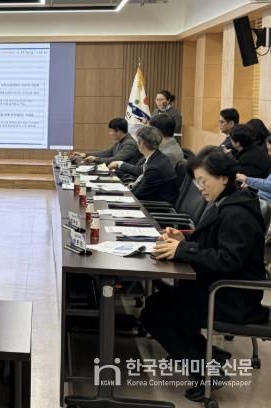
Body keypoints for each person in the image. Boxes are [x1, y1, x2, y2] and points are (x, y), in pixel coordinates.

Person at [144, 146, 268, 402]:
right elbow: (214, 243)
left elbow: (228, 260)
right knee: (158, 304)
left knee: (157, 314)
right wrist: (183, 240)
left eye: (203, 181)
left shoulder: (238, 213)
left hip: (230, 296)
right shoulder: (228, 202)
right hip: (216, 288)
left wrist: (183, 250)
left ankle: (205, 372)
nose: (199, 188)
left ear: (223, 178)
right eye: (197, 182)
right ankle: (210, 356)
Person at [112, 126, 178, 203]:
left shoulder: (154, 168)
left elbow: (138, 195)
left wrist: (119, 194)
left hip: (154, 207)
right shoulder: (157, 157)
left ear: (142, 143)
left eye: (138, 141)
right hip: (150, 201)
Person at [72, 118, 141, 165]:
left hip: (124, 176)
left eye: (111, 131)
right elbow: (105, 153)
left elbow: (116, 160)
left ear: (119, 131)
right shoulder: (120, 141)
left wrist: (95, 159)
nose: (110, 133)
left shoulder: (129, 143)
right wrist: (85, 155)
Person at [236, 135, 271, 202]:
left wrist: (247, 180)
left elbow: (269, 186)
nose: (269, 153)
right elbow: (267, 182)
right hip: (261, 197)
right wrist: (250, 184)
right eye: (268, 150)